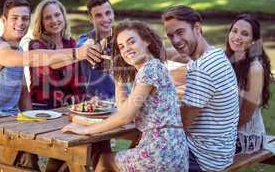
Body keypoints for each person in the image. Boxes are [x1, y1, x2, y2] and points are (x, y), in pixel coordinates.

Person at [0, 0, 101, 170]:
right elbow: (35, 58)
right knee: (26, 152)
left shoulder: (18, 49)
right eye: (15, 18)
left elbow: (23, 92)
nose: (20, 23)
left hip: (12, 123)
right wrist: (78, 52)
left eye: (25, 18)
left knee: (72, 142)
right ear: (4, 20)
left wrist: (32, 120)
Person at [62, 20, 189, 172]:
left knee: (104, 161)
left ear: (146, 41)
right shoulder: (150, 69)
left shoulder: (151, 69)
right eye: (121, 46)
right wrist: (118, 78)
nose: (126, 49)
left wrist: (84, 130)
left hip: (160, 152)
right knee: (104, 157)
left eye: (131, 42)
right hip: (172, 150)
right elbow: (123, 109)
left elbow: (125, 117)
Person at [162, 5, 239, 171]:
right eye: (170, 36)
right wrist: (152, 50)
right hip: (222, 152)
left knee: (138, 158)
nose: (175, 40)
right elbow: (176, 55)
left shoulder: (202, 68)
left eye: (180, 32)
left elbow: (181, 123)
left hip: (202, 158)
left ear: (197, 28)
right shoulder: (216, 54)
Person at [225, 14, 273, 154]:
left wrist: (223, 134)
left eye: (244, 34)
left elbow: (246, 115)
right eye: (234, 31)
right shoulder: (226, 58)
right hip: (227, 130)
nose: (237, 37)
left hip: (245, 135)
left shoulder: (254, 68)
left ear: (253, 41)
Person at [29, 0, 86, 109]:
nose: (54, 20)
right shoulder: (35, 45)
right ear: (41, 22)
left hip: (66, 107)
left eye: (57, 15)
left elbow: (78, 81)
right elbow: (52, 64)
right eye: (48, 17)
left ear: (63, 17)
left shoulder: (71, 43)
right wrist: (80, 53)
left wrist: (84, 106)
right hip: (41, 108)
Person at [76, 0, 115, 100]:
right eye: (99, 15)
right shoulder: (84, 41)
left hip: (125, 102)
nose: (105, 19)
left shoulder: (123, 38)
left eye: (108, 13)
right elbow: (86, 47)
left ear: (113, 13)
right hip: (96, 105)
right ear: (90, 18)